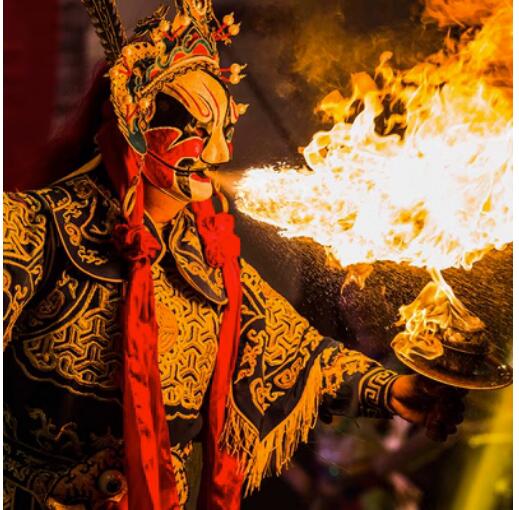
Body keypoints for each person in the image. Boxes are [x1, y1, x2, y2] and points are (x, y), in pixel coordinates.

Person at [3, 1, 465, 509]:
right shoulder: (36, 230)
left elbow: (295, 356)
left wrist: (392, 389)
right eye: (198, 131)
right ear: (134, 121)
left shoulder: (209, 261)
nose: (220, 153)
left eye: (225, 129)